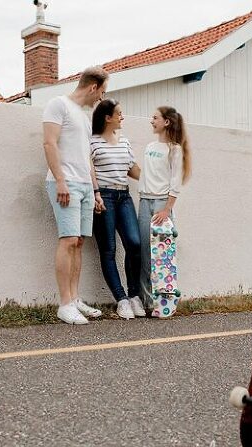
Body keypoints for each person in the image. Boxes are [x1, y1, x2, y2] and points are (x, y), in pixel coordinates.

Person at [43, 66, 109, 325]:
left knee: (79, 242)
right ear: (93, 87)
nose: (101, 99)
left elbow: (86, 157)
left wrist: (96, 190)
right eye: (102, 92)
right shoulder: (57, 104)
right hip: (65, 183)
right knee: (68, 240)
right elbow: (49, 143)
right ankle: (65, 304)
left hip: (84, 185)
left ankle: (75, 298)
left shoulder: (84, 115)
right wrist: (60, 180)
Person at [90, 99, 145, 319]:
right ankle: (121, 299)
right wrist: (95, 194)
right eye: (119, 113)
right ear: (107, 117)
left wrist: (157, 180)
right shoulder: (92, 142)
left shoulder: (124, 141)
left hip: (124, 196)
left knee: (134, 243)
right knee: (108, 249)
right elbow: (89, 169)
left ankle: (134, 296)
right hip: (104, 197)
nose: (123, 117)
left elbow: (132, 169)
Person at [138, 106, 191, 309]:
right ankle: (147, 302)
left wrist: (167, 209)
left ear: (166, 122)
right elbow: (146, 175)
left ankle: (165, 301)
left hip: (162, 204)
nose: (152, 121)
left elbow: (175, 182)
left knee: (162, 256)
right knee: (144, 253)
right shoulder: (150, 146)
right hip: (144, 202)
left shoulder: (175, 149)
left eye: (155, 118)